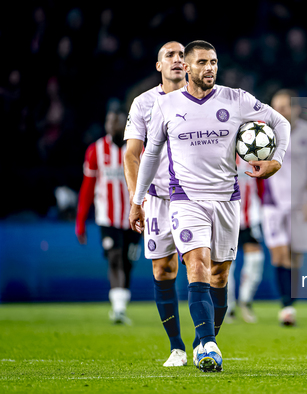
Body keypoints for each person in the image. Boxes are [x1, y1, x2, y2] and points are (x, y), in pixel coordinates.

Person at [129, 40, 290, 373]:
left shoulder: (237, 99)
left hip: (227, 201)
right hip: (184, 199)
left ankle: (204, 338)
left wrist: (276, 160)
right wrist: (136, 200)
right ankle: (208, 345)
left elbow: (282, 124)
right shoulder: (166, 105)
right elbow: (150, 154)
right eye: (202, 62)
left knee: (220, 276)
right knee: (197, 265)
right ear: (187, 68)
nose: (210, 68)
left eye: (214, 62)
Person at [123, 41, 188, 367]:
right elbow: (131, 154)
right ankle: (177, 346)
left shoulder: (205, 98)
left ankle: (208, 340)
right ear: (159, 65)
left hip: (197, 197)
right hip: (159, 199)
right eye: (170, 56)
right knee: (164, 269)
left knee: (209, 270)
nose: (177, 60)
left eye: (181, 56)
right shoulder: (144, 103)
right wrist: (138, 198)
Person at [76, 107, 141, 325]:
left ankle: (120, 304)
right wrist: (80, 222)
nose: (111, 125)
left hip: (134, 217)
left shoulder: (138, 149)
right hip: (108, 217)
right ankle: (119, 308)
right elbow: (87, 187)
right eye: (109, 121)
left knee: (128, 261)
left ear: (126, 123)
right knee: (114, 257)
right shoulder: (95, 150)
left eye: (116, 121)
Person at [262, 89, 307, 326]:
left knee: (295, 256)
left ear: (296, 109)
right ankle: (286, 306)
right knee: (279, 253)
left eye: (285, 106)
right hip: (273, 203)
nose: (280, 110)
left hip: (300, 202)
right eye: (276, 106)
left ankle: (290, 304)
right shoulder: (264, 134)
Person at [226, 156, 266, 323]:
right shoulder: (221, 150)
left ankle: (245, 301)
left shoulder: (254, 153)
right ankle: (227, 307)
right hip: (226, 216)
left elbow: (262, 183)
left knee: (256, 259)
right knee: (225, 263)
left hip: (251, 216)